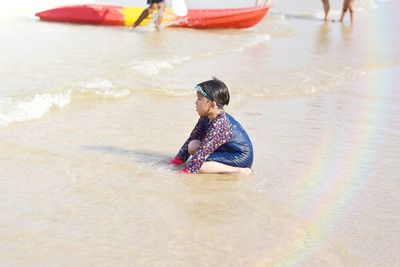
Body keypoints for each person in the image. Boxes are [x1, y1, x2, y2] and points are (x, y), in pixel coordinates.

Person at [169, 78, 254, 174]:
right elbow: (193, 137)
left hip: (240, 157)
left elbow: (202, 153)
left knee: (202, 166)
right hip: (224, 151)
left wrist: (185, 172)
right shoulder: (206, 117)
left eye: (199, 99)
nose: (195, 102)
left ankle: (240, 171)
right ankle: (217, 164)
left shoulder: (220, 125)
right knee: (192, 145)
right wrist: (177, 160)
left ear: (212, 105)